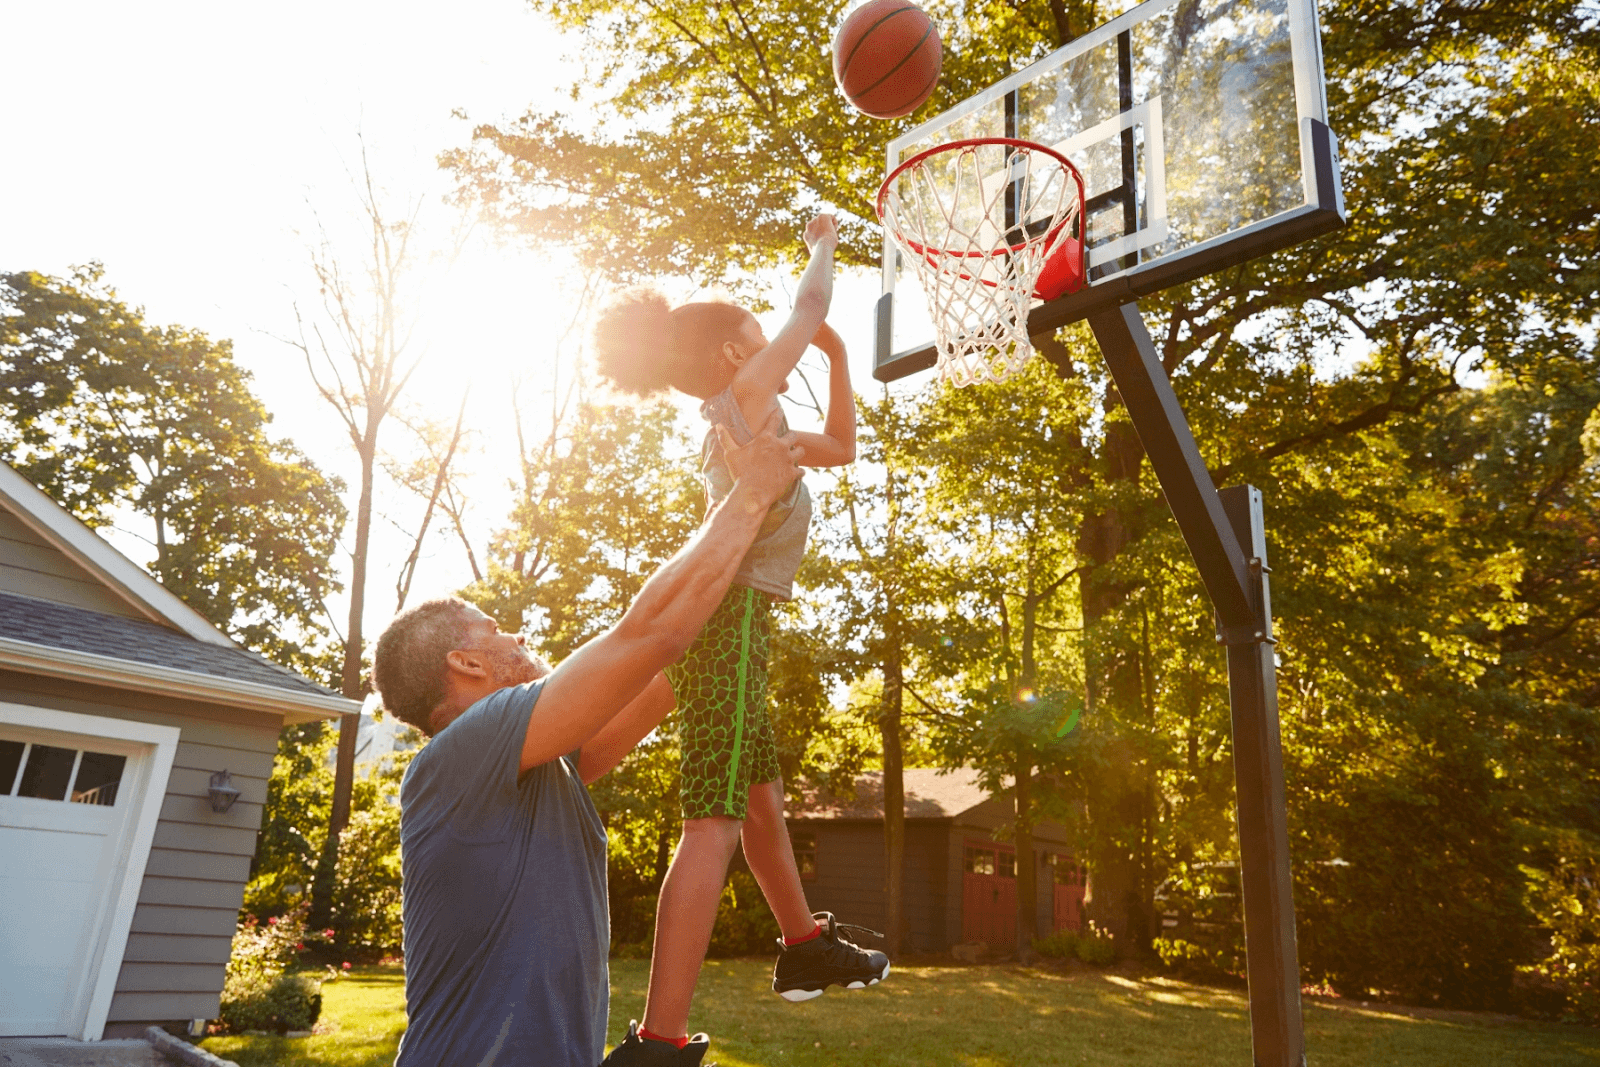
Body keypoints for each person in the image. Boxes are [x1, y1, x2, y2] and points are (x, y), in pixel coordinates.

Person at [371, 417, 805, 1067]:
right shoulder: (462, 749)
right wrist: (746, 495)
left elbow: (673, 668)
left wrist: (742, 536)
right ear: (466, 665)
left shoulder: (548, 765)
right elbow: (651, 636)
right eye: (496, 628)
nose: (517, 635)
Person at [590, 213, 887, 1067]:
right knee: (713, 821)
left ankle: (801, 944)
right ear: (732, 354)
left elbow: (840, 446)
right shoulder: (742, 397)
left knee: (757, 799)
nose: (777, 337)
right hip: (726, 623)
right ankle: (656, 1040)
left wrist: (834, 359)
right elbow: (812, 301)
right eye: (762, 335)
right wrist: (822, 241)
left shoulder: (757, 422)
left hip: (742, 623)